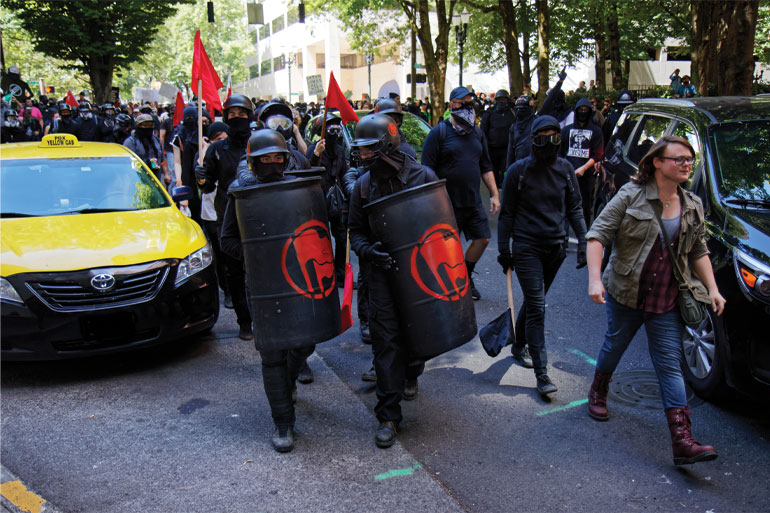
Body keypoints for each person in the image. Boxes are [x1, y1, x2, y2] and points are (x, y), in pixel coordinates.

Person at [584, 135, 724, 466]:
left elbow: (699, 249)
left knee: (669, 365)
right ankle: (598, 390)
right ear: (657, 162)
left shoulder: (693, 204)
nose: (687, 164)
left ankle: (682, 440)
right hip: (627, 294)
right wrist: (593, 279)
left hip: (666, 299)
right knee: (613, 347)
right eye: (679, 159)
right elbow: (597, 236)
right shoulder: (630, 196)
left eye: (690, 159)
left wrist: (713, 289)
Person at [219, 129, 314, 453]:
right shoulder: (241, 194)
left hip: (298, 280)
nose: (273, 163)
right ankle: (283, 424)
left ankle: (288, 383)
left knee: (305, 342)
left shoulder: (293, 186)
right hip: (262, 286)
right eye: (266, 159)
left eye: (278, 158)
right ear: (254, 162)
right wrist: (256, 254)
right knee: (273, 354)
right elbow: (227, 240)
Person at [348, 113, 438, 448]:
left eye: (371, 150)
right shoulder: (363, 186)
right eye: (362, 151)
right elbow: (354, 232)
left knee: (419, 334)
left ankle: (411, 374)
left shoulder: (422, 176)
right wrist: (368, 251)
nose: (365, 157)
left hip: (417, 272)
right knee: (386, 342)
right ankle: (388, 414)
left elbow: (438, 224)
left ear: (387, 144)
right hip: (380, 275)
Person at [497, 115, 587, 396]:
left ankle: (518, 343)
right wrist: (503, 249)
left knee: (536, 301)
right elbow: (507, 214)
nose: (549, 142)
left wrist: (584, 240)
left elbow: (574, 207)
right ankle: (542, 373)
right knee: (538, 306)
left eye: (554, 136)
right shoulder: (517, 171)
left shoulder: (566, 170)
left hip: (556, 249)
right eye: (543, 136)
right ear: (534, 139)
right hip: (526, 248)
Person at [421, 86, 500, 300]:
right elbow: (425, 170)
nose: (467, 108)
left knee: (483, 239)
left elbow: (486, 166)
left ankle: (465, 274)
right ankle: (449, 283)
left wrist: (494, 194)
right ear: (451, 105)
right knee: (449, 246)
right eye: (462, 103)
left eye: (470, 103)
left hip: (472, 200)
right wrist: (431, 201)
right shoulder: (439, 133)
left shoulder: (477, 133)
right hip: (446, 203)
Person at [195, 94, 255, 341]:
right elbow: (208, 186)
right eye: (232, 115)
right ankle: (244, 321)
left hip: (259, 213)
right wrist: (201, 177)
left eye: (242, 114)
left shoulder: (260, 142)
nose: (237, 119)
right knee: (234, 271)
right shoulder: (218, 149)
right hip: (229, 217)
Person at [306, 113, 349, 285]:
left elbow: (344, 175)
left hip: (336, 201)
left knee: (341, 238)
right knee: (321, 240)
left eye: (337, 128)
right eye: (330, 128)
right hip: (318, 201)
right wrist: (316, 155)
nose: (334, 132)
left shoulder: (339, 151)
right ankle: (323, 274)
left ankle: (340, 274)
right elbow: (307, 171)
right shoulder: (314, 149)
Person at [560, 98, 604, 228]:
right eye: (580, 110)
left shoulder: (596, 131)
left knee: (585, 206)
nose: (583, 113)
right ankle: (565, 235)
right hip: (567, 174)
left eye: (586, 110)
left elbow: (597, 154)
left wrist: (584, 168)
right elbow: (560, 152)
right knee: (565, 204)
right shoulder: (566, 131)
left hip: (587, 175)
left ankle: (583, 235)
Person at [481, 89, 515, 187]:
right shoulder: (489, 113)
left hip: (507, 148)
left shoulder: (512, 113)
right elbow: (483, 131)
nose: (502, 102)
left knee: (505, 170)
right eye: (500, 99)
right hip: (492, 148)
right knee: (493, 171)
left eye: (504, 99)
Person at [123, 113, 170, 185]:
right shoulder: (131, 142)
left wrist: (166, 174)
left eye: (151, 125)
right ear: (138, 126)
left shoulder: (156, 140)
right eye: (145, 125)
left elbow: (162, 158)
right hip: (139, 181)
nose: (148, 128)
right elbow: (127, 165)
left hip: (156, 180)